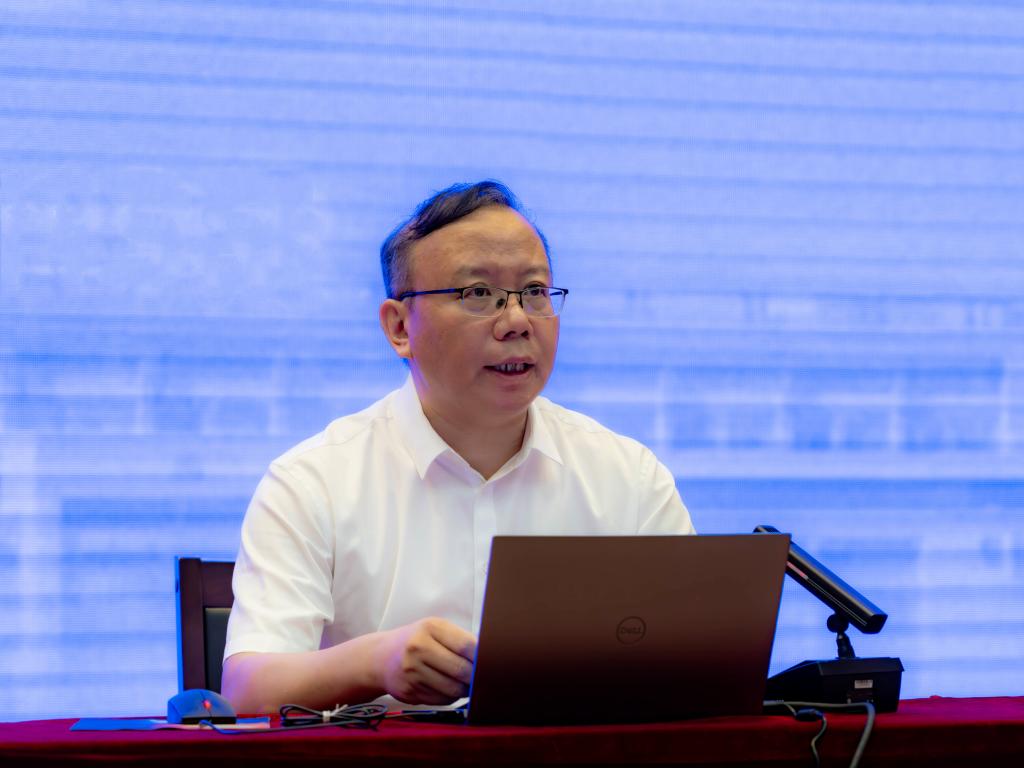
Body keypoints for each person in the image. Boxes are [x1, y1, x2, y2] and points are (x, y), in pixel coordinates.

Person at [221, 181, 695, 713]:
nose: (517, 321)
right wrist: (375, 662)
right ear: (399, 328)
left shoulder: (629, 477)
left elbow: (698, 667)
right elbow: (247, 693)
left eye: (534, 291)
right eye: (478, 294)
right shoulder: (314, 481)